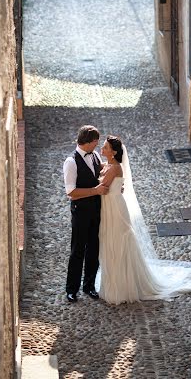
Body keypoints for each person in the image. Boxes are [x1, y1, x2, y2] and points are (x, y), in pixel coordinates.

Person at [93, 135, 191, 305]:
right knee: (110, 241)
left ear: (113, 152)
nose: (102, 149)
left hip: (115, 208)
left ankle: (124, 285)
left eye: (105, 147)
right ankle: (115, 282)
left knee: (119, 241)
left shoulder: (114, 168)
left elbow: (102, 188)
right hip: (108, 208)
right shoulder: (108, 165)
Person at [63, 125, 109, 303]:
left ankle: (89, 286)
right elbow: (71, 192)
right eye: (96, 142)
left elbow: (102, 178)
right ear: (89, 143)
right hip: (80, 213)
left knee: (93, 249)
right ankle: (71, 289)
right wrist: (95, 191)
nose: (97, 146)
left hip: (97, 211)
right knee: (77, 251)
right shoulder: (71, 162)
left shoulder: (95, 156)